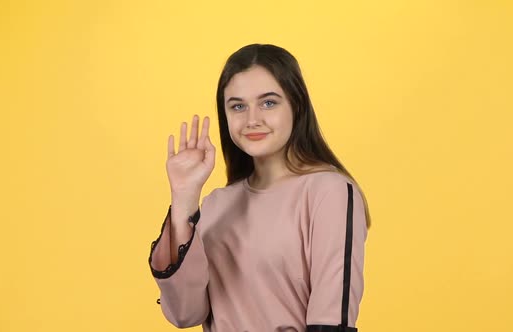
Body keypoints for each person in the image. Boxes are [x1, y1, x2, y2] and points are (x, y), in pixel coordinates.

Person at [148, 44, 370, 331]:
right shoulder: (217, 204)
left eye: (268, 102)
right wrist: (183, 199)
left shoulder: (329, 192)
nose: (252, 119)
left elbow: (331, 321)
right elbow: (185, 314)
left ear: (297, 105)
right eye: (238, 106)